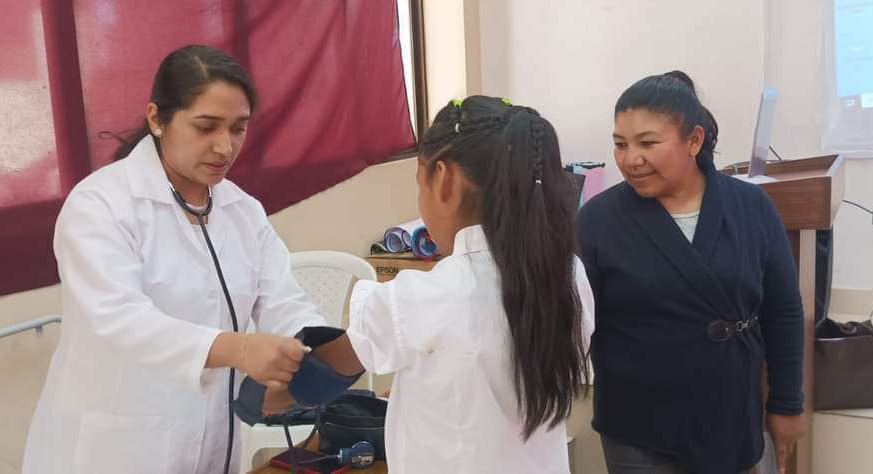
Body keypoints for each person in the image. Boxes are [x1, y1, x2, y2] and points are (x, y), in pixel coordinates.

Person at [22, 45, 323, 474]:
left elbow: (282, 299)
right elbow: (120, 319)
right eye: (206, 127)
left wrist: (308, 348)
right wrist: (237, 348)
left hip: (209, 439)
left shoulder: (243, 211)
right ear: (156, 118)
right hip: (116, 447)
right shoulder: (100, 205)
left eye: (238, 128)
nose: (225, 146)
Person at [311, 95, 594, 473]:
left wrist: (256, 373)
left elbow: (318, 374)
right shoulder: (569, 274)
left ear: (444, 181)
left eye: (420, 184)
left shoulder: (417, 298)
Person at [576, 71, 805, 474]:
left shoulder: (750, 207)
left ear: (694, 141)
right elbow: (574, 322)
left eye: (648, 143)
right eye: (620, 144)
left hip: (730, 416)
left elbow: (783, 311)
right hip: (637, 428)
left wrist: (787, 404)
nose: (631, 159)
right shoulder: (598, 219)